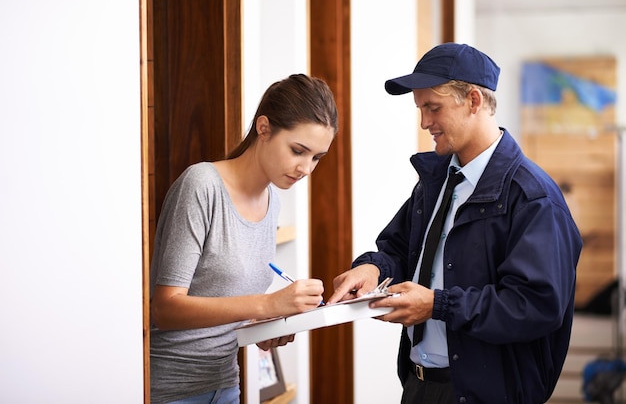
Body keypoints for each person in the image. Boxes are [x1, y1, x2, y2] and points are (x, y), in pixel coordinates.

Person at [328, 43, 582, 403]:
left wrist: (438, 306)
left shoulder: (533, 197)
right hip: (419, 386)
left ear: (474, 101)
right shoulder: (438, 179)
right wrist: (372, 268)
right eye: (420, 109)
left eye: (433, 108)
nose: (424, 122)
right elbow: (401, 249)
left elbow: (536, 305)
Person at [150, 73, 338, 404]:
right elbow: (165, 309)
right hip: (172, 390)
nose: (306, 168)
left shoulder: (272, 201)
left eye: (316, 158)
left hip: (226, 385)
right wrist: (267, 303)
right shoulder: (201, 186)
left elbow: (224, 305)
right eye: (298, 150)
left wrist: (267, 326)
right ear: (263, 128)